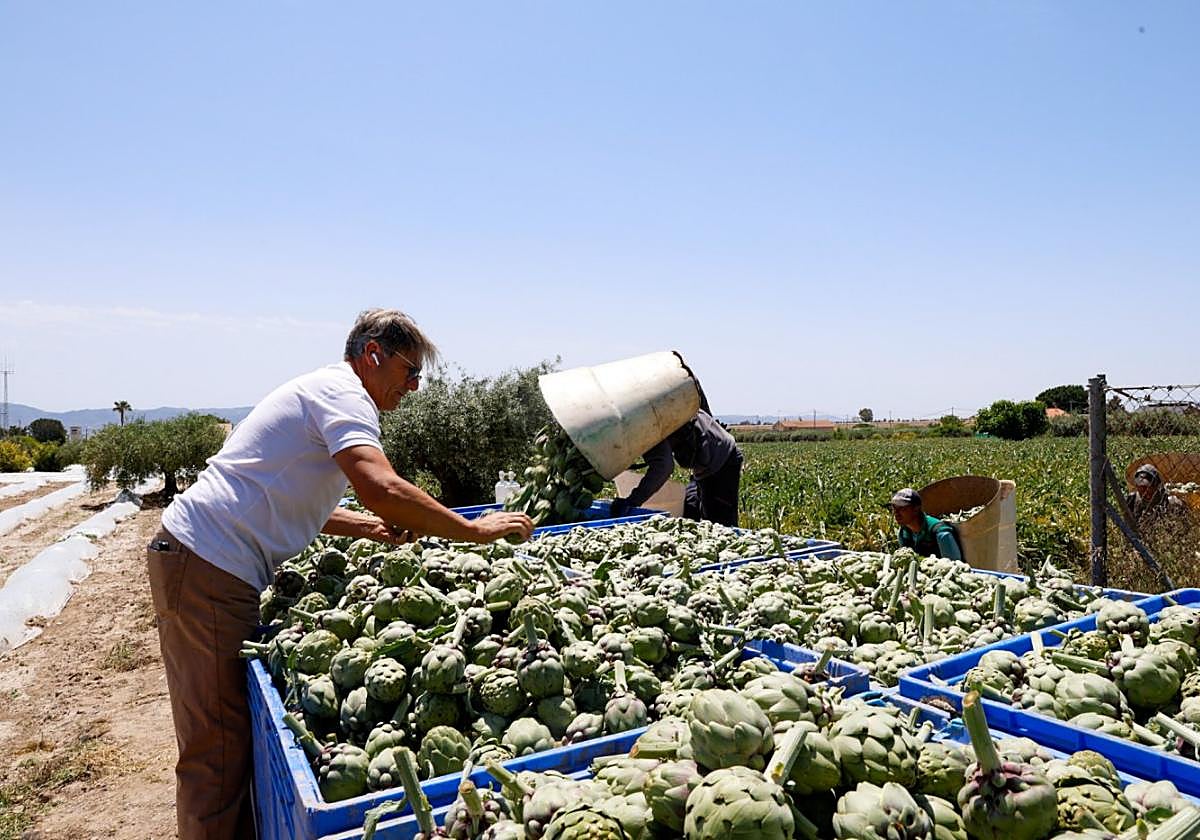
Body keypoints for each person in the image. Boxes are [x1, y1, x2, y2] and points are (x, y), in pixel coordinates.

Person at [148, 309, 534, 839]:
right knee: (214, 752)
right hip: (208, 565)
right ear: (373, 355)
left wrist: (367, 528)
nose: (414, 387)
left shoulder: (325, 392)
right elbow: (381, 484)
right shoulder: (345, 394)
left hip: (205, 562)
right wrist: (474, 530)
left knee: (222, 739)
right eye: (409, 371)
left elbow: (289, 498)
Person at [609, 391, 743, 526]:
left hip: (721, 460)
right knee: (692, 510)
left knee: (720, 525)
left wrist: (632, 501)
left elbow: (663, 467)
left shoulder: (646, 426)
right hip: (705, 458)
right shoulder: (643, 411)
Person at [888, 487, 963, 560]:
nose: (896, 513)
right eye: (894, 508)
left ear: (916, 509)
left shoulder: (940, 532)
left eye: (901, 508)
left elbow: (954, 565)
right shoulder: (904, 532)